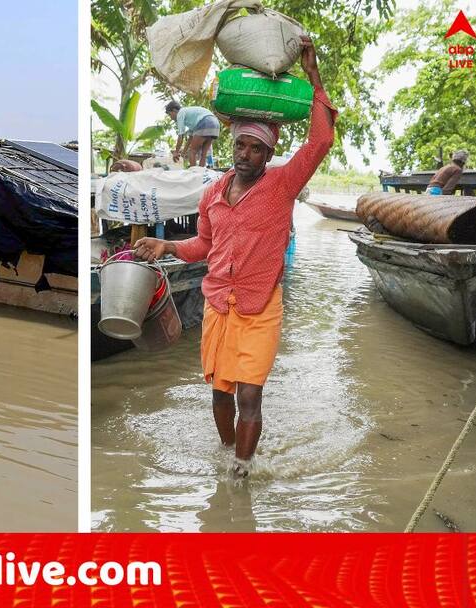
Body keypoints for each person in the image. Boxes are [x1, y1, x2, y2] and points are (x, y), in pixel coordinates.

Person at [132, 36, 337, 478]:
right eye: (241, 146)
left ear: (268, 153)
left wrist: (313, 73)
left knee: (250, 397)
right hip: (218, 307)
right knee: (219, 394)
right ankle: (229, 456)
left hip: (260, 307)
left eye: (256, 148)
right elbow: (203, 246)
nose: (246, 155)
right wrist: (167, 246)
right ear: (233, 145)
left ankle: (242, 471)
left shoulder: (282, 186)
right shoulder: (212, 194)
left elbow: (320, 141)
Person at [166, 101, 220, 168]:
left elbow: (181, 136)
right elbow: (190, 138)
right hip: (215, 124)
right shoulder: (192, 118)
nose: (171, 118)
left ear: (174, 110)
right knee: (204, 153)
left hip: (205, 122)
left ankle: (194, 174)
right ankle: (200, 173)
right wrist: (183, 153)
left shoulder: (180, 113)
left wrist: (176, 152)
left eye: (170, 114)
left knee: (192, 152)